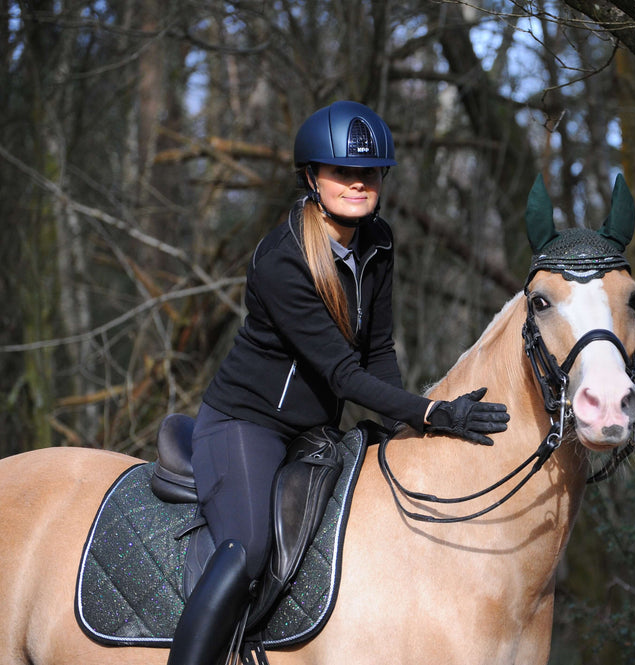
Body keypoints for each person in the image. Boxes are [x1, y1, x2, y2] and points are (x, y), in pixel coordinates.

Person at [167, 101, 509, 665]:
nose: (358, 182)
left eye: (369, 172)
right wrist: (431, 413)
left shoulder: (378, 241)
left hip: (316, 429)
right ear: (311, 177)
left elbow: (377, 351)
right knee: (247, 549)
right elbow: (342, 373)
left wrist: (406, 426)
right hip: (245, 425)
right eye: (342, 172)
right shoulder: (283, 259)